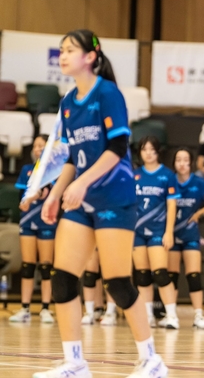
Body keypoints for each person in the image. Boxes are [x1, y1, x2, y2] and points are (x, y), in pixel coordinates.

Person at [35, 29, 167, 378]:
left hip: (114, 197)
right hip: (81, 199)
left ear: (90, 57)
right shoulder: (67, 103)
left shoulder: (108, 93)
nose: (63, 56)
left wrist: (81, 182)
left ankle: (151, 360)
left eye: (70, 50)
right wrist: (55, 193)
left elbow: (117, 148)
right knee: (63, 279)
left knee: (118, 283)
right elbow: (70, 158)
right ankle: (75, 362)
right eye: (61, 50)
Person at [166, 148, 204, 329]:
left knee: (193, 275)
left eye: (185, 160)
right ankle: (170, 315)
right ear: (174, 163)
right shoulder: (169, 181)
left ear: (190, 163)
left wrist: (199, 213)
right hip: (172, 235)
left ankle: (198, 315)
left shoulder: (198, 183)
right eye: (178, 160)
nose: (182, 164)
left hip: (190, 234)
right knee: (172, 276)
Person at [133, 136, 180, 329]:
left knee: (160, 273)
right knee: (142, 275)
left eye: (152, 150)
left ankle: (172, 316)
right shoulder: (134, 175)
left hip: (158, 231)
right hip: (137, 232)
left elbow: (172, 205)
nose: (148, 153)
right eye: (145, 149)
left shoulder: (167, 175)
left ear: (158, 152)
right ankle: (147, 316)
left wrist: (169, 232)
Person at [10, 135, 56, 324]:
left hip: (46, 222)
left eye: (42, 146)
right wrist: (27, 200)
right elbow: (22, 198)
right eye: (35, 146)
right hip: (28, 221)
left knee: (46, 266)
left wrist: (36, 196)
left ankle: (45, 308)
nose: (38, 149)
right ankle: (25, 308)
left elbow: (48, 193)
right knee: (27, 266)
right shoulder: (27, 170)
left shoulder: (54, 171)